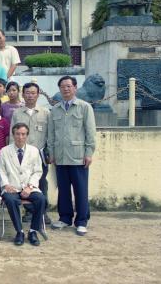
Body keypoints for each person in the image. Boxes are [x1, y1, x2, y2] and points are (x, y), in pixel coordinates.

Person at [48, 76, 96, 236]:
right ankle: (65, 217)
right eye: (62, 87)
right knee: (63, 189)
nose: (66, 89)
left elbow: (90, 132)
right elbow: (51, 134)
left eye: (69, 86)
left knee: (80, 190)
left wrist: (89, 153)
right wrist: (52, 153)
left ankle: (81, 221)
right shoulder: (55, 110)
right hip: (60, 157)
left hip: (78, 156)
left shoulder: (84, 107)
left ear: (75, 88)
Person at [0, 123, 46, 246]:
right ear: (13, 135)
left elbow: (37, 171)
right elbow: (1, 171)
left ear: (27, 136)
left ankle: (33, 231)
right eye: (18, 134)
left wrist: (30, 187)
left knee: (41, 199)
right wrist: (6, 185)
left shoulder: (34, 151)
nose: (20, 137)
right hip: (12, 187)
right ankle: (19, 232)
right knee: (10, 199)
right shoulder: (4, 151)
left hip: (29, 187)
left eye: (23, 134)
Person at [10, 82, 51, 224]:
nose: (30, 96)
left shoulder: (45, 113)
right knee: (23, 183)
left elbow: (50, 135)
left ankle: (43, 213)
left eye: (33, 93)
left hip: (40, 154)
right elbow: (12, 135)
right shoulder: (17, 113)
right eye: (27, 93)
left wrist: (49, 153)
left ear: (38, 95)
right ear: (23, 94)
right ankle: (29, 212)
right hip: (21, 154)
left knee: (41, 182)